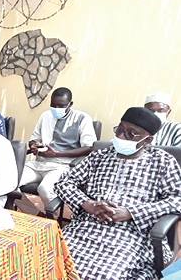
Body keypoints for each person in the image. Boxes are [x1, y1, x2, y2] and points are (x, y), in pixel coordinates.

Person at [54, 107, 181, 280]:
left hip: (132, 234)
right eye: (119, 129)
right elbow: (64, 183)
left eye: (131, 134)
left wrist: (131, 213)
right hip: (87, 226)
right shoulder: (99, 157)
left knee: (104, 275)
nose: (121, 136)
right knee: (51, 263)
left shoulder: (162, 162)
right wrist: (87, 204)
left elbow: (177, 199)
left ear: (147, 140)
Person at [16, 87, 96, 214]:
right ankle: (35, 214)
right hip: (39, 163)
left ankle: (53, 219)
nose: (56, 109)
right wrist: (34, 145)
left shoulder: (82, 118)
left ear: (70, 104)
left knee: (44, 189)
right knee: (10, 182)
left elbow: (90, 147)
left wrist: (57, 154)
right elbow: (33, 139)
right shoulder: (45, 116)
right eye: (53, 105)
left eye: (61, 106)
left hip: (62, 166)